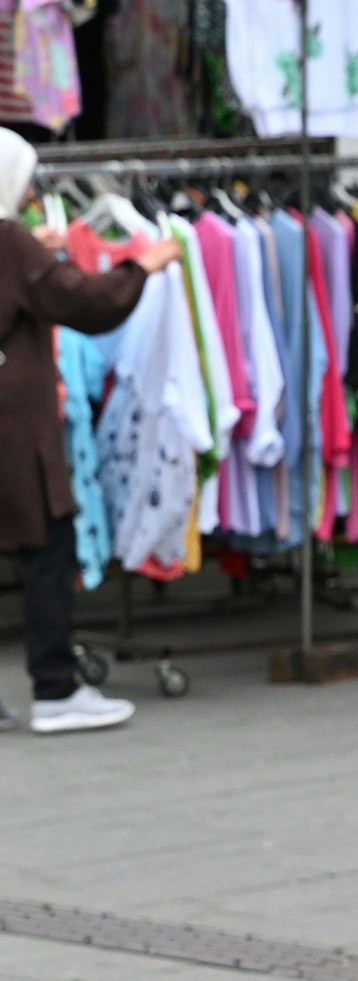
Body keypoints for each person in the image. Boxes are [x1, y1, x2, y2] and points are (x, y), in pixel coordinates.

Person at [0, 128, 180, 734]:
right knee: (48, 546)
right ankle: (55, 690)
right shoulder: (9, 243)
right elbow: (80, 300)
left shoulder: (13, 245)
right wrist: (141, 265)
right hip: (15, 422)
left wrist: (34, 249)